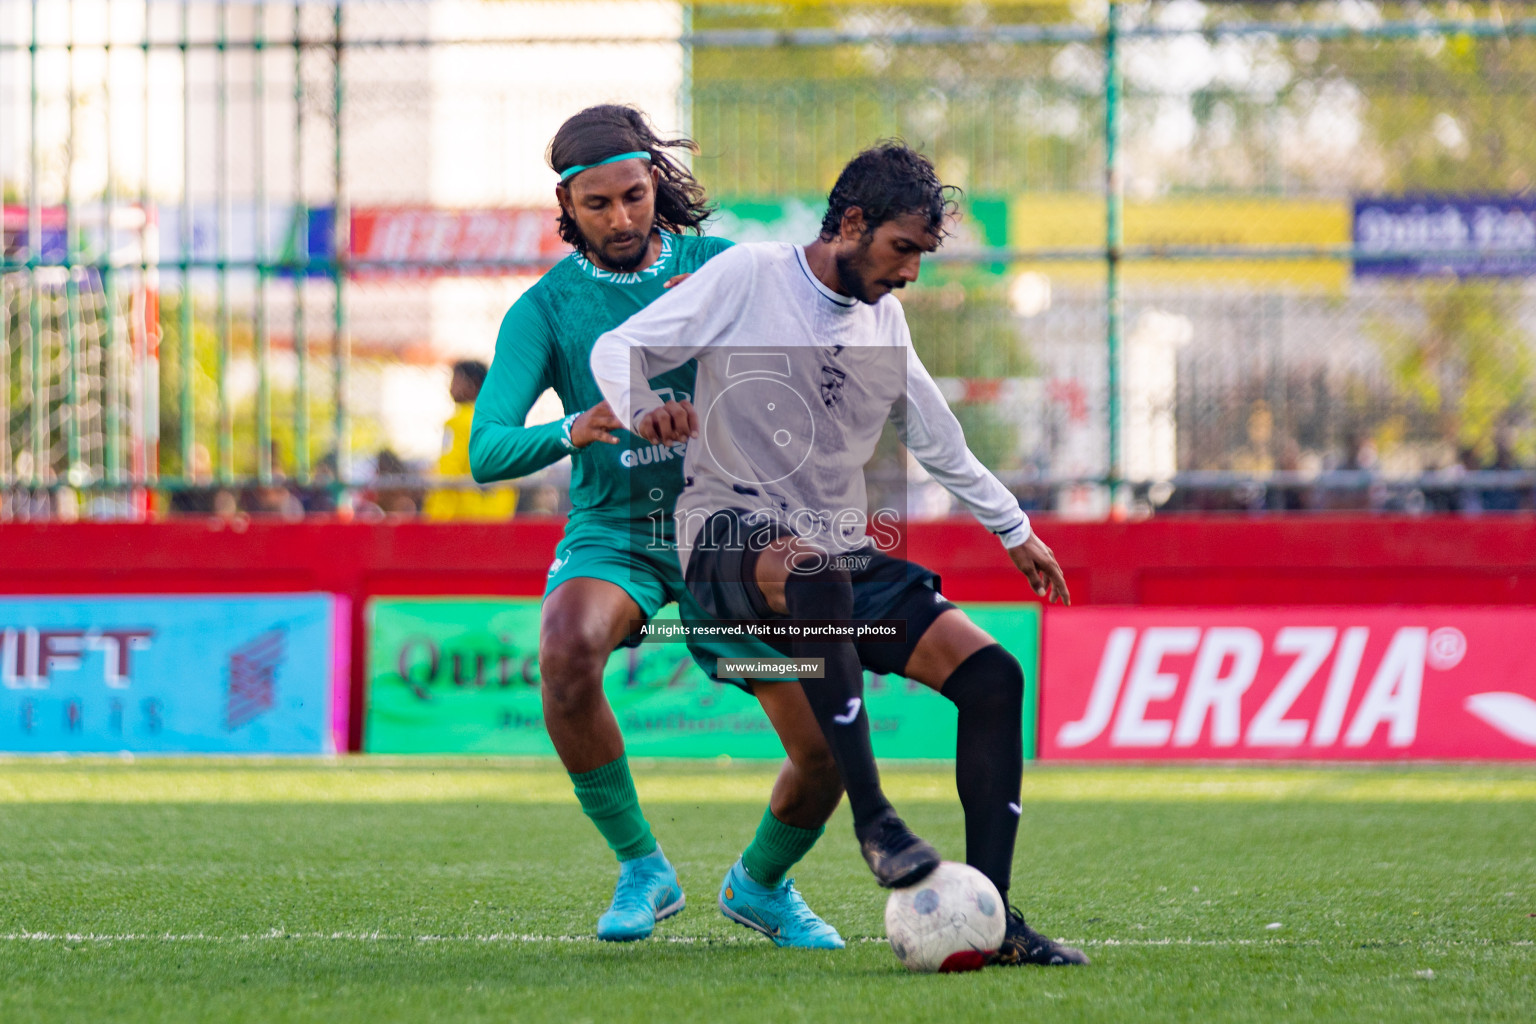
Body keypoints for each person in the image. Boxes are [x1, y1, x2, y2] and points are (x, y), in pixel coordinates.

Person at [591, 141, 1089, 966]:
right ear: (852, 223)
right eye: (903, 250)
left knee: (995, 678)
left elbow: (939, 439)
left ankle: (994, 923)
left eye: (923, 256)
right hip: (724, 537)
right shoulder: (752, 275)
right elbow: (619, 349)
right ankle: (875, 819)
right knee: (816, 572)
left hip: (830, 549)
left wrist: (1015, 531)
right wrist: (644, 407)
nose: (911, 274)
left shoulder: (882, 320)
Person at [469, 105, 844, 948]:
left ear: (656, 185)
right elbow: (487, 450)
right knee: (566, 647)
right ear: (568, 207)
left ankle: (762, 885)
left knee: (826, 746)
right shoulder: (546, 310)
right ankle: (642, 867)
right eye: (596, 205)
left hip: (735, 533)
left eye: (634, 196)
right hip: (618, 534)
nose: (620, 219)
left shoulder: (725, 268)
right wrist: (579, 426)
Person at [423, 360, 517, 521]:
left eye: (456, 380)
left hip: (464, 517)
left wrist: (435, 516)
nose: (451, 388)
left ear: (473, 384)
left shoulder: (458, 422)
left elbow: (449, 470)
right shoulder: (502, 422)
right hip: (499, 515)